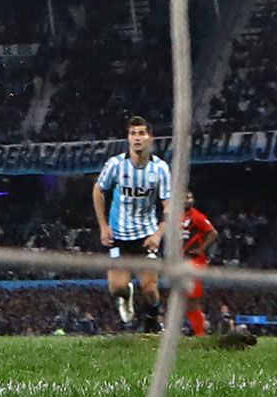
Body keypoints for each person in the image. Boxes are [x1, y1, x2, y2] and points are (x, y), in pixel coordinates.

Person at [92, 115, 173, 330]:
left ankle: (152, 323)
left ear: (150, 138)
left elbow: (168, 206)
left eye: (141, 133)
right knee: (116, 288)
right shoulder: (116, 165)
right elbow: (99, 190)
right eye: (133, 134)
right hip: (119, 237)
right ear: (128, 138)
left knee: (149, 290)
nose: (137, 138)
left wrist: (158, 234)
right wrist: (103, 226)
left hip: (146, 237)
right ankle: (126, 296)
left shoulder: (161, 169)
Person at [180, 202, 215, 337]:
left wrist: (201, 250)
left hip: (195, 263)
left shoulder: (197, 216)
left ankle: (201, 333)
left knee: (192, 300)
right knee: (187, 301)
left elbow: (213, 233)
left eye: (190, 197)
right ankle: (199, 332)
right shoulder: (177, 217)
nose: (188, 200)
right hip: (182, 262)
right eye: (185, 197)